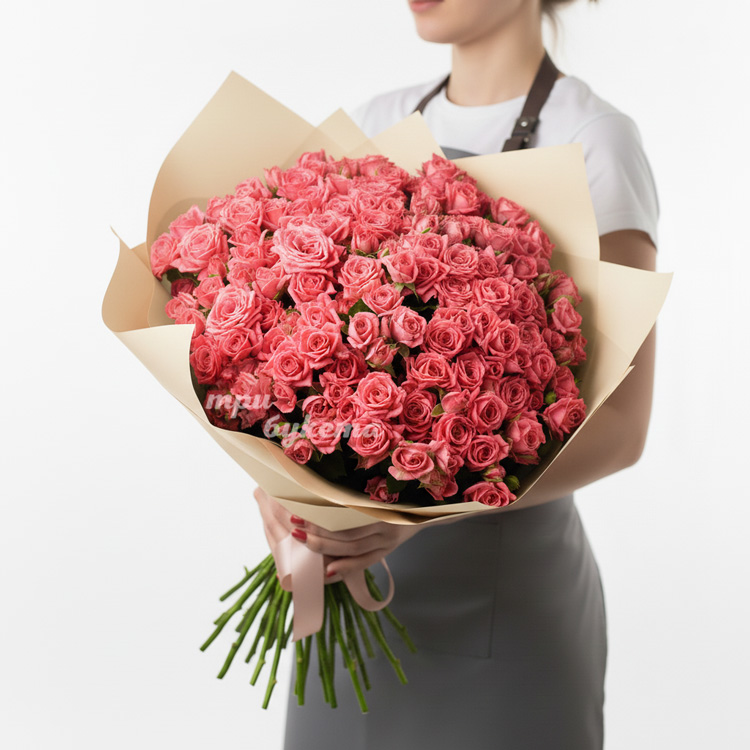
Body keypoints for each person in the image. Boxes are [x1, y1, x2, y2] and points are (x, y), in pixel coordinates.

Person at [255, 1, 658, 747]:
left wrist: (417, 509)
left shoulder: (594, 139)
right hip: (348, 586)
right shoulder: (377, 122)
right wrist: (283, 487)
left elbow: (623, 427)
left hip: (505, 607)